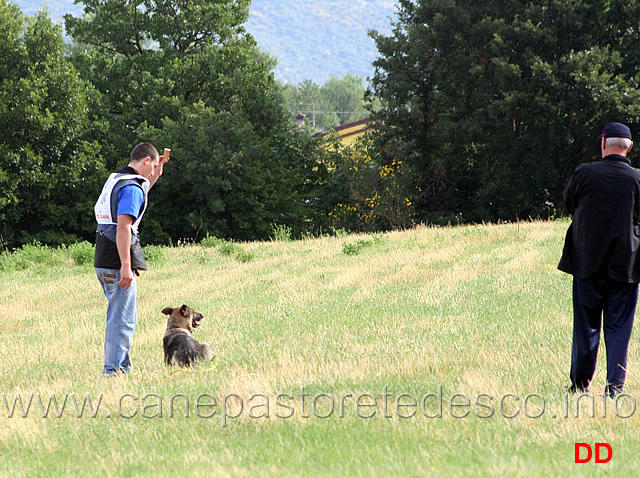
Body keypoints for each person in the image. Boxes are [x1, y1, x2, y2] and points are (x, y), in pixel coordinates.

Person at [559, 122, 640, 397]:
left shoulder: (584, 174)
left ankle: (580, 384)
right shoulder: (638, 179)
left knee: (586, 325)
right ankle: (615, 387)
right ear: (630, 147)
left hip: (587, 262)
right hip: (625, 266)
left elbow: (569, 204)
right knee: (619, 328)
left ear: (603, 142)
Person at [94, 143, 170, 376]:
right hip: (117, 261)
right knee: (122, 320)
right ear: (146, 160)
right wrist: (126, 265)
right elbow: (124, 228)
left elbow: (135, 196)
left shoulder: (117, 179)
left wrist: (155, 176)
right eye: (153, 165)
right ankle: (114, 371)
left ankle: (120, 366)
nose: (153, 171)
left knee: (123, 316)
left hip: (103, 257)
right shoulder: (132, 188)